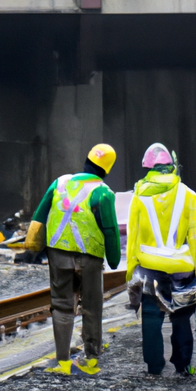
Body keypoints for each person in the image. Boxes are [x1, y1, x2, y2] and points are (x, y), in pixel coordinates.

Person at [25, 143, 121, 375]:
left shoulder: (60, 182)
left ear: (86, 160)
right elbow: (110, 229)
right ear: (107, 169)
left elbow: (40, 215)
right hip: (90, 256)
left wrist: (33, 245)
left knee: (61, 305)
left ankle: (63, 361)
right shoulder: (103, 192)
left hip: (58, 253)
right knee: (92, 307)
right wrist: (114, 258)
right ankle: (90, 359)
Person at [126, 143, 196, 377]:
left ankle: (154, 367)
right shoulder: (189, 195)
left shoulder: (139, 196)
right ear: (172, 168)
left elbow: (133, 239)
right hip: (182, 269)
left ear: (148, 169)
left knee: (151, 317)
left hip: (149, 267)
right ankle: (183, 366)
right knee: (182, 318)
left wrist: (130, 271)